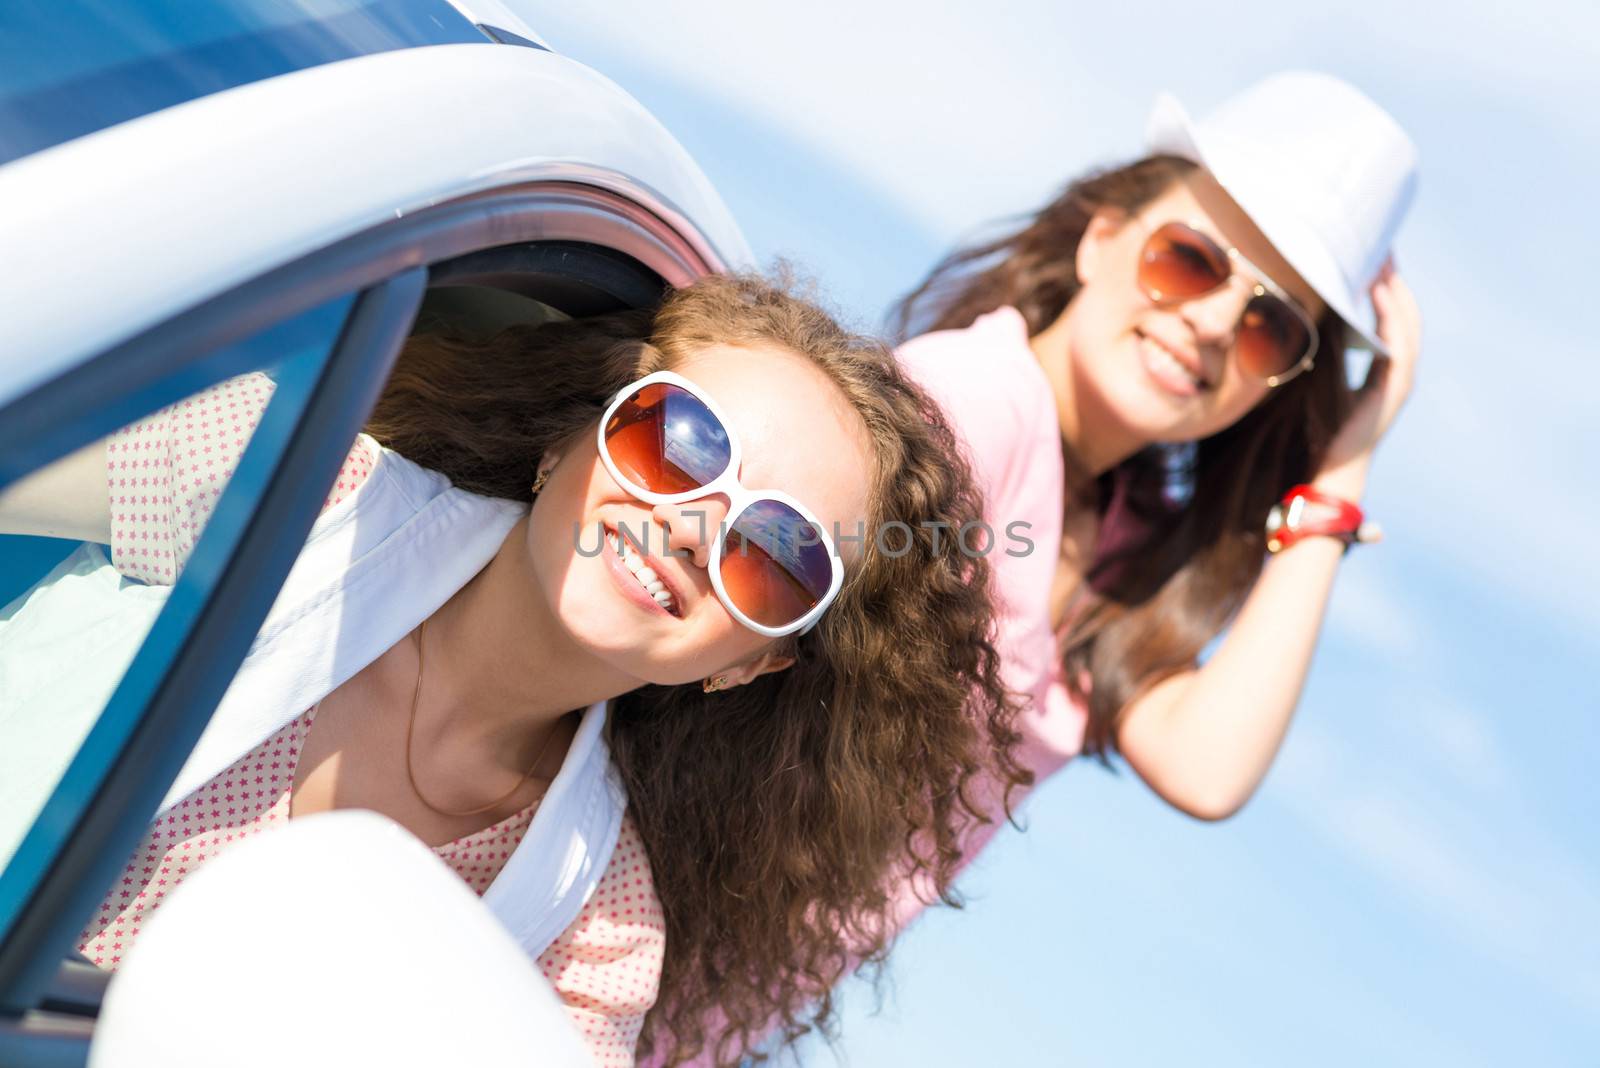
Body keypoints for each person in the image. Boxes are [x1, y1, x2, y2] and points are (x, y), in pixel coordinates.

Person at [0, 273, 1025, 1067]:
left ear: (752, 662)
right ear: (570, 439)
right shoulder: (291, 488)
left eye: (773, 551)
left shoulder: (599, 930)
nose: (690, 525)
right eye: (677, 444)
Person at [654, 69, 1423, 1068]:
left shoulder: (1114, 550)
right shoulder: (969, 409)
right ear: (1101, 238)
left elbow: (1206, 763)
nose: (1210, 323)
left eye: (1271, 326)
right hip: (578, 963)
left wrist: (1345, 459)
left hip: (677, 1027)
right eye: (1190, 260)